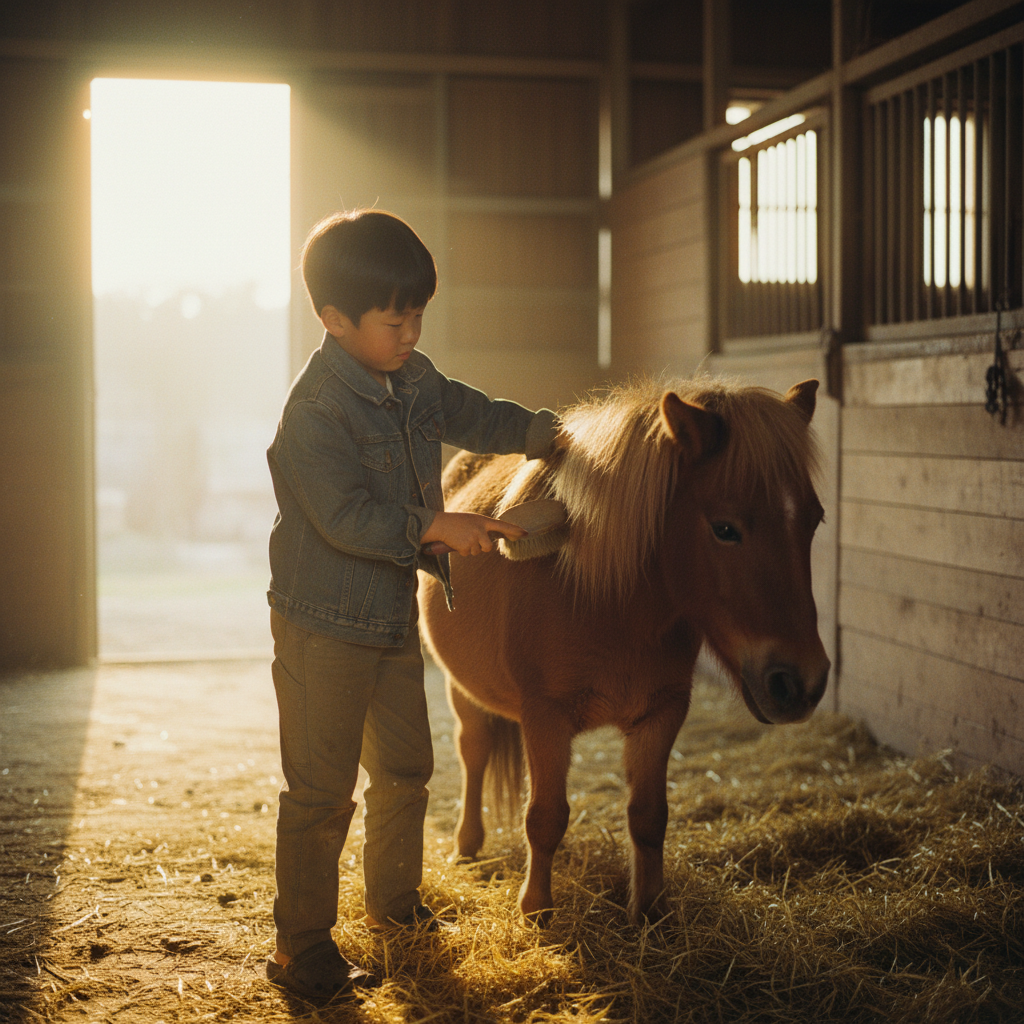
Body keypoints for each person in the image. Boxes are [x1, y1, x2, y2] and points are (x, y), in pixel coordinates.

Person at [264, 209, 558, 1001]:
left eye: (418, 315)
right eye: (395, 321)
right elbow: (345, 517)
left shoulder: (416, 378)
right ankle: (301, 947)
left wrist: (548, 434)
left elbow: (477, 414)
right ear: (335, 319)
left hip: (390, 616)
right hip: (322, 624)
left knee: (404, 769)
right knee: (321, 791)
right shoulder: (314, 412)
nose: (410, 334)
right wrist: (437, 524)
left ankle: (394, 909)